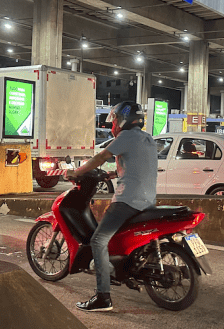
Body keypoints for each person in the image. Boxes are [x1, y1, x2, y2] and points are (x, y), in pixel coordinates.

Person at [67, 101, 158, 312]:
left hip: (128, 200)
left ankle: (102, 297)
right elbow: (139, 166)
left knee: (98, 240)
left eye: (115, 119)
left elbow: (100, 157)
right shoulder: (148, 138)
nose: (113, 123)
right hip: (147, 201)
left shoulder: (125, 137)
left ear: (122, 119)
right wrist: (114, 174)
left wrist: (76, 172)